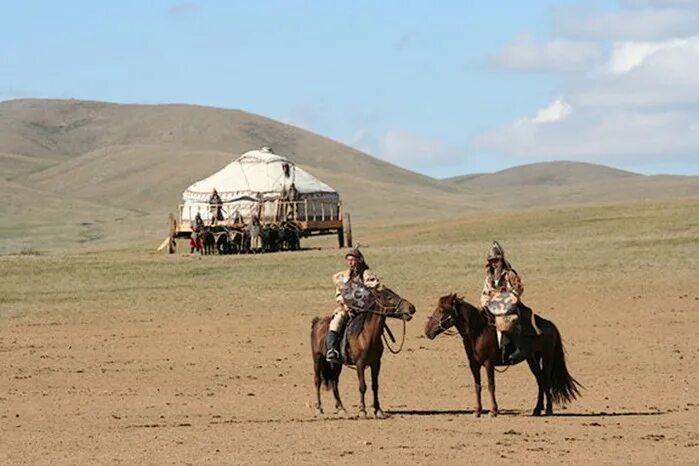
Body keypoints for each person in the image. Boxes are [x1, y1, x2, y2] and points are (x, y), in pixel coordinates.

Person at [480, 241, 538, 363]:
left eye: (496, 260)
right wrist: (485, 303)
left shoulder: (509, 274)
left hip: (509, 306)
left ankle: (519, 347)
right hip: (493, 306)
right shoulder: (489, 277)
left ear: (501, 260)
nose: (494, 264)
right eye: (492, 261)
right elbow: (485, 292)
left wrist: (510, 298)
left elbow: (519, 288)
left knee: (506, 323)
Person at [325, 247, 380, 363]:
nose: (351, 263)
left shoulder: (366, 275)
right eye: (348, 260)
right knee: (336, 321)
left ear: (359, 261)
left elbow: (373, 288)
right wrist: (345, 305)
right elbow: (339, 295)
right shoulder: (342, 277)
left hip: (364, 311)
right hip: (346, 309)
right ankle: (332, 350)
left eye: (353, 260)